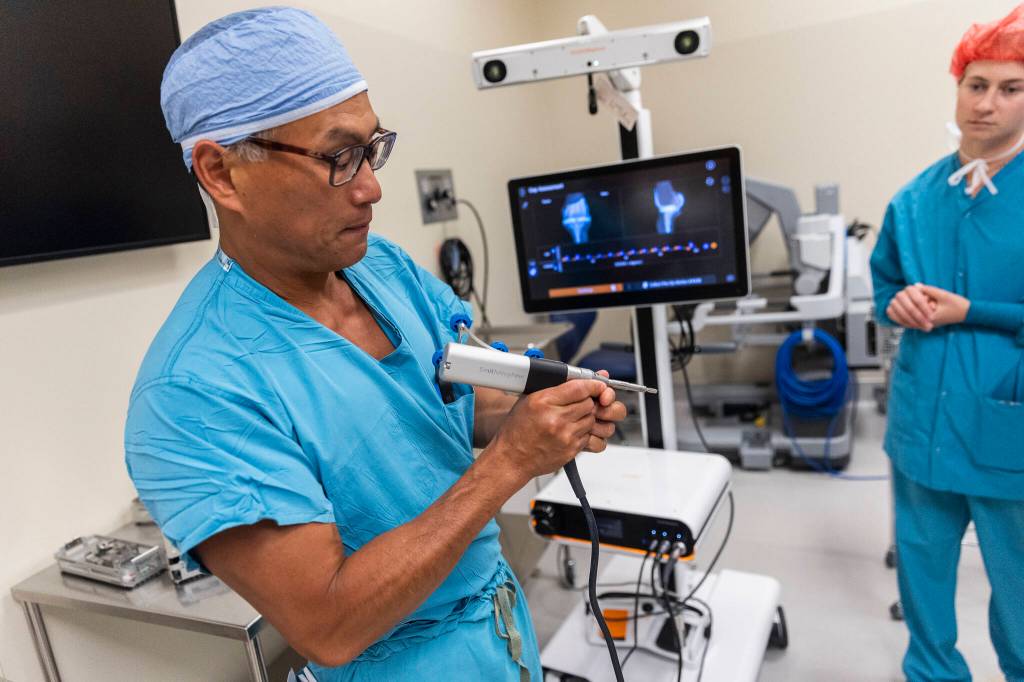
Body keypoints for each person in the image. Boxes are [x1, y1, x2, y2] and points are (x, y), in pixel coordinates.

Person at [124, 8, 625, 681]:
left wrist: (550, 413)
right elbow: (329, 625)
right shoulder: (194, 392)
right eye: (338, 158)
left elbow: (446, 406)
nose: (372, 186)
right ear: (221, 173)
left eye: (372, 146)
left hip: (497, 634)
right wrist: (508, 465)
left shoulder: (381, 269)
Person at [870, 5, 1024, 681]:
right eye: (976, 83)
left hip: (1005, 429)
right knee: (923, 578)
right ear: (957, 87)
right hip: (918, 428)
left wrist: (972, 310)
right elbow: (884, 287)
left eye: (1010, 88)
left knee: (1018, 595)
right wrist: (896, 302)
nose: (986, 102)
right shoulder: (913, 199)